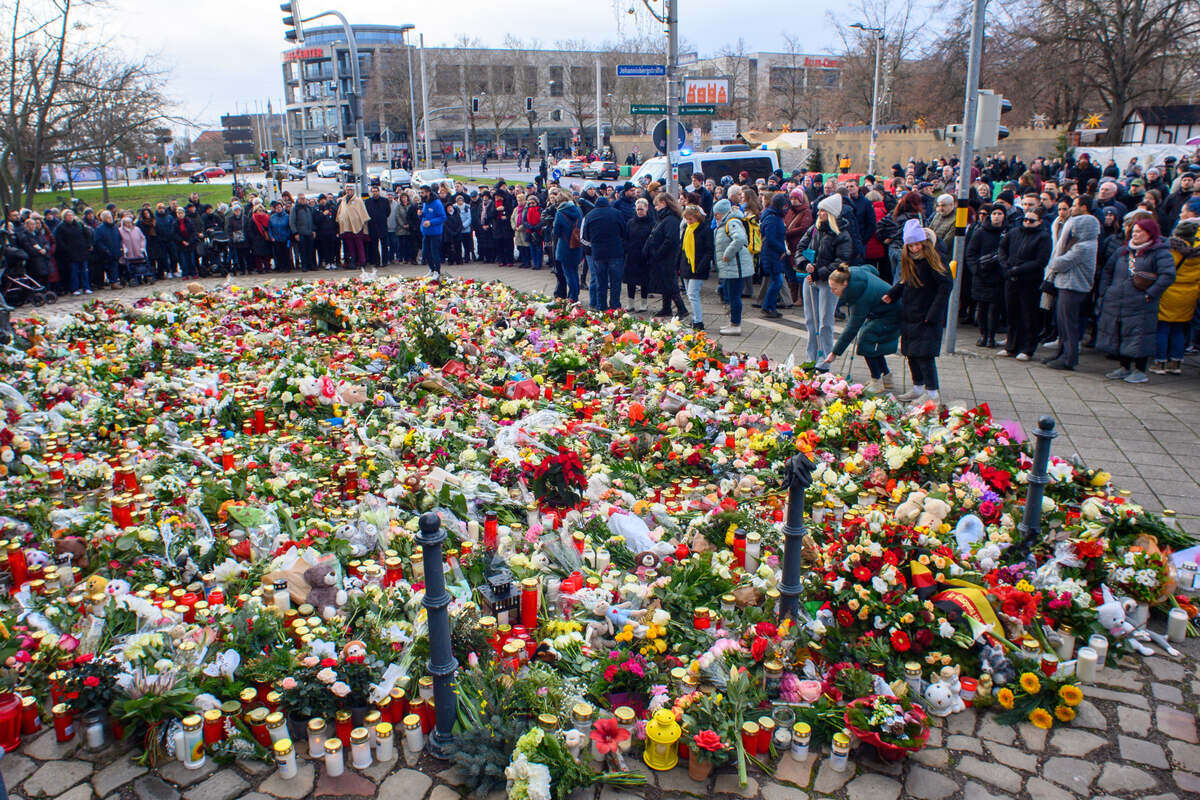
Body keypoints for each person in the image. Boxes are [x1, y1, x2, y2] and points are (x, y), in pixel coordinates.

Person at [1097, 216, 1176, 383]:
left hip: (1141, 303)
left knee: (1140, 335)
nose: (1135, 234)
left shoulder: (1159, 252)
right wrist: (1106, 291)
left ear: (1150, 233)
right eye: (1133, 231)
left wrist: (1150, 293)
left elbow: (1168, 275)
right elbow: (1108, 271)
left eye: (1139, 232)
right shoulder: (1123, 251)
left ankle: (1140, 370)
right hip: (1117, 300)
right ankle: (1124, 367)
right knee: (1120, 332)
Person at [883, 220, 952, 404]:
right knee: (911, 353)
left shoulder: (934, 258)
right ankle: (918, 387)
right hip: (910, 312)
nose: (914, 249)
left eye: (916, 245)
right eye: (910, 245)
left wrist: (934, 313)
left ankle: (932, 392)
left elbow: (945, 286)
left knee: (925, 355)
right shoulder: (909, 259)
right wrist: (893, 293)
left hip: (927, 314)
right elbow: (904, 280)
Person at [820, 263, 901, 393]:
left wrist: (835, 352)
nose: (832, 292)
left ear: (845, 284)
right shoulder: (853, 273)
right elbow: (872, 269)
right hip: (884, 310)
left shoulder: (859, 298)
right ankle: (887, 377)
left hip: (892, 314)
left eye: (834, 289)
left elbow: (852, 328)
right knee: (873, 343)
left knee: (866, 341)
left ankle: (876, 380)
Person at [796, 195, 853, 366]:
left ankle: (824, 360)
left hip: (829, 281)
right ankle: (811, 358)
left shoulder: (842, 234)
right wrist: (804, 263)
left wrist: (819, 272)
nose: (819, 213)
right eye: (819, 210)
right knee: (810, 320)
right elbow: (800, 248)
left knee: (825, 322)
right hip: (810, 278)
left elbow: (841, 260)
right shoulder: (815, 228)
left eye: (823, 211)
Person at [1041, 210, 1100, 370]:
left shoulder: (1083, 247)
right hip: (1066, 285)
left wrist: (1058, 253)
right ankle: (1061, 353)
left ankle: (1069, 358)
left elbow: (1058, 263)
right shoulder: (1084, 244)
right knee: (1062, 324)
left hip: (1073, 288)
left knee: (1068, 325)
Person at [997, 209, 1052, 360]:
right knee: (1012, 313)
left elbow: (1041, 261)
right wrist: (1005, 265)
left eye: (1031, 220)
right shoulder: (1014, 232)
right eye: (1025, 219)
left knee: (1029, 315)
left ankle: (1028, 349)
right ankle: (1011, 346)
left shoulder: (1043, 237)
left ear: (1040, 222)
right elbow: (1002, 248)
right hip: (1011, 278)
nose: (1027, 222)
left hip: (1029, 281)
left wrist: (1018, 269)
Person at [1154, 205, 1200, 374]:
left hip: (1169, 291)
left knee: (1163, 328)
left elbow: (1165, 269)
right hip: (1189, 293)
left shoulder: (1172, 249)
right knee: (1179, 329)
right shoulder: (1197, 252)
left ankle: (1159, 362)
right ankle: (1176, 363)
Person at [966, 204, 1007, 347]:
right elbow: (970, 253)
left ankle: (991, 336)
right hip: (981, 275)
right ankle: (983, 334)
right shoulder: (980, 232)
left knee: (994, 310)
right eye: (994, 213)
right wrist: (976, 270)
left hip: (998, 277)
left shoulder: (1007, 232)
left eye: (1000, 214)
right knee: (982, 308)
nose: (996, 216)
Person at [712, 197, 753, 335]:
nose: (715, 216)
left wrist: (727, 253)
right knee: (730, 294)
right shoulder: (726, 223)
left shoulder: (732, 223)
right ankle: (733, 322)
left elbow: (740, 239)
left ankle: (736, 324)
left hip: (735, 266)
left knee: (734, 296)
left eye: (717, 214)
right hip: (731, 267)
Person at [581, 195, 626, 311]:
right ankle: (615, 306)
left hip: (598, 253)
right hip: (615, 252)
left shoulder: (590, 216)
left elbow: (585, 236)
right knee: (615, 281)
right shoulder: (617, 213)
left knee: (601, 281)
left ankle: (601, 306)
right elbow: (624, 231)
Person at [645, 193, 685, 318]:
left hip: (667, 257)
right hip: (663, 257)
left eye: (656, 205)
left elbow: (670, 240)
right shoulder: (665, 218)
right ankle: (666, 308)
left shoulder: (671, 220)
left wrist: (657, 253)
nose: (655, 208)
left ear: (663, 204)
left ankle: (681, 308)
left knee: (670, 283)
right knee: (665, 282)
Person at [678, 203, 713, 330]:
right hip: (686, 266)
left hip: (698, 267)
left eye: (690, 219)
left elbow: (709, 250)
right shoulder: (687, 230)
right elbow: (681, 249)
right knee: (689, 294)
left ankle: (698, 321)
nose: (688, 221)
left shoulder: (705, 230)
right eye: (686, 219)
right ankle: (695, 319)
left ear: (697, 218)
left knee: (693, 294)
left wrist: (702, 265)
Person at [758, 193, 789, 319]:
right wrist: (782, 249)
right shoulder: (772, 218)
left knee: (776, 281)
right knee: (777, 281)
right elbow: (770, 238)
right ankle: (768, 306)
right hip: (772, 254)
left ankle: (770, 307)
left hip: (772, 253)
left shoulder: (771, 215)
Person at [624, 198, 654, 312]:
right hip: (632, 255)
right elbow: (625, 237)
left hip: (644, 256)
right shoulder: (631, 222)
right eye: (637, 209)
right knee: (630, 280)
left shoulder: (651, 223)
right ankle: (630, 303)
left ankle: (644, 303)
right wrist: (626, 248)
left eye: (641, 209)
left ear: (646, 208)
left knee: (644, 281)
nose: (639, 211)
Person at [552, 190, 583, 301]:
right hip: (576, 245)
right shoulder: (578, 210)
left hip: (564, 247)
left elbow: (555, 232)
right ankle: (575, 294)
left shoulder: (560, 213)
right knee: (574, 271)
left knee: (568, 274)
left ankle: (573, 297)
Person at [53, 209, 91, 295]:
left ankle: (86, 287)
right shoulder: (61, 227)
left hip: (82, 252)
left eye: (71, 215)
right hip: (71, 254)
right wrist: (67, 249)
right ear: (64, 217)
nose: (70, 217)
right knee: (73, 272)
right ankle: (74, 288)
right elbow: (59, 241)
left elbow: (86, 235)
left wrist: (87, 245)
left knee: (84, 271)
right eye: (68, 215)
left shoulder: (79, 224)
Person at [336, 187, 369, 268]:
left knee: (359, 245)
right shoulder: (343, 201)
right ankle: (352, 262)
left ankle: (362, 262)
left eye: (350, 190)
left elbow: (363, 213)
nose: (348, 191)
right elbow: (340, 212)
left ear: (353, 191)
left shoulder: (358, 200)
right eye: (347, 190)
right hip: (346, 227)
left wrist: (364, 226)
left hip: (357, 227)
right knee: (350, 246)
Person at [418, 185, 446, 279]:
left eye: (422, 193)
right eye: (420, 193)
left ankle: (437, 271)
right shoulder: (425, 203)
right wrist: (420, 215)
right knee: (425, 252)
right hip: (426, 232)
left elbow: (443, 217)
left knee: (435, 253)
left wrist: (431, 222)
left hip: (435, 232)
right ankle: (431, 269)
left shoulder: (437, 203)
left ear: (428, 193)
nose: (421, 195)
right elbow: (425, 215)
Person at [93, 209, 122, 288]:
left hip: (116, 250)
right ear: (104, 219)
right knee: (110, 267)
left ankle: (115, 281)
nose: (110, 219)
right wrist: (105, 249)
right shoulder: (100, 229)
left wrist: (120, 247)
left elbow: (119, 238)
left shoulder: (114, 227)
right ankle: (112, 282)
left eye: (110, 217)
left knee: (115, 267)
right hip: (106, 252)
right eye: (108, 217)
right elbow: (98, 242)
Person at [117, 214, 148, 284]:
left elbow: (142, 238)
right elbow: (120, 241)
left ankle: (141, 278)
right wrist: (124, 248)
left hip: (138, 251)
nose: (129, 224)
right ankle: (132, 278)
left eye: (130, 223)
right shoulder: (120, 231)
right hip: (129, 253)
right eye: (127, 223)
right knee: (130, 266)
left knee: (140, 265)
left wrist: (142, 247)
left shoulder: (137, 229)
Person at [290, 194, 317, 272]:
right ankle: (304, 266)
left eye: (304, 199)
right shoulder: (295, 209)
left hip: (310, 232)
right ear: (298, 200)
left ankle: (311, 265)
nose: (303, 200)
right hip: (301, 233)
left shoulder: (308, 208)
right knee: (303, 251)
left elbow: (312, 220)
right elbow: (292, 222)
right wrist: (295, 233)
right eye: (301, 199)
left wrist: (313, 230)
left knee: (311, 250)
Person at [175, 206, 198, 278]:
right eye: (179, 213)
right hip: (181, 244)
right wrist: (182, 241)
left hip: (190, 243)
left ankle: (194, 273)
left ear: (184, 213)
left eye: (181, 213)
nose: (180, 214)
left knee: (192, 259)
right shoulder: (175, 223)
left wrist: (189, 241)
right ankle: (185, 274)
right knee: (183, 260)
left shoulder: (189, 221)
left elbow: (193, 232)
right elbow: (175, 234)